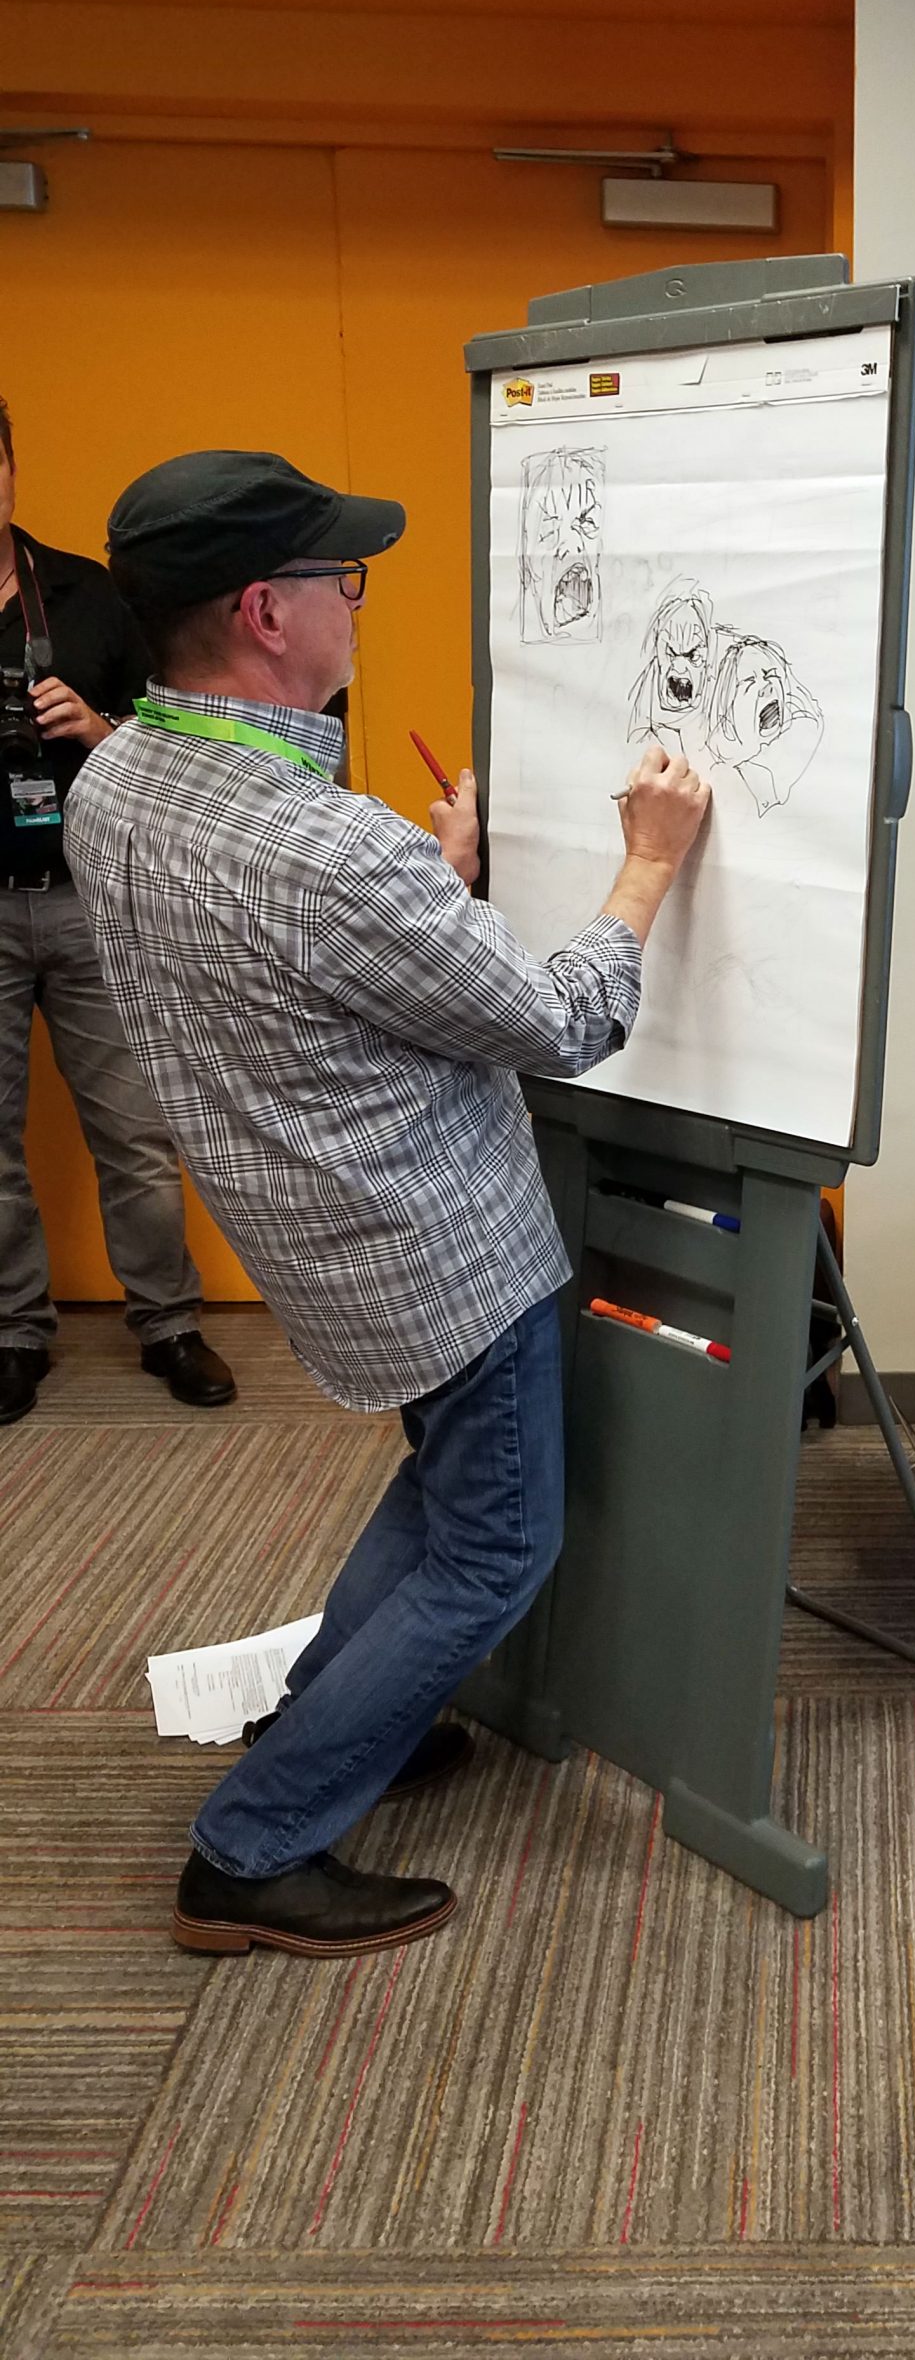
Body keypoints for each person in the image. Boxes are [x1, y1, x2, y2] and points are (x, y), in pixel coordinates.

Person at [66, 449, 708, 1963]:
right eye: (340, 579)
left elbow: (290, 978)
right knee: (496, 1548)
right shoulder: (325, 848)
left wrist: (429, 887)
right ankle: (252, 1848)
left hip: (321, 1241)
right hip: (441, 1252)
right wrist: (645, 868)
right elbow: (558, 1021)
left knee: (445, 1494)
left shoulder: (115, 783)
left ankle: (340, 1713)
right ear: (263, 612)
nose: (357, 605)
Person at [0, 395, 234, 1421]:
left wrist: (96, 726)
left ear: (12, 467)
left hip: (88, 900)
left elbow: (176, 738)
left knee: (136, 1131)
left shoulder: (86, 596)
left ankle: (169, 1323)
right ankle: (13, 1332)